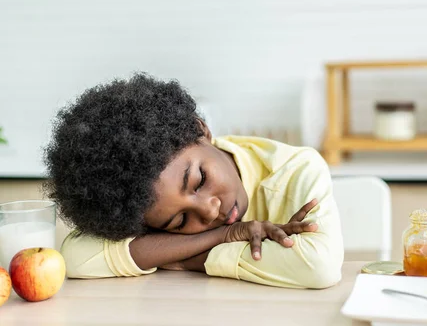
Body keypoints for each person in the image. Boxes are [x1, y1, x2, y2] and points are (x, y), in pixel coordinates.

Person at [43, 73, 344, 289]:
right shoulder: (152, 210)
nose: (210, 211)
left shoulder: (295, 169)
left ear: (202, 131)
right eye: (180, 221)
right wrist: (223, 236)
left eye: (199, 181)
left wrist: (178, 256)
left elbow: (319, 268)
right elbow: (77, 257)